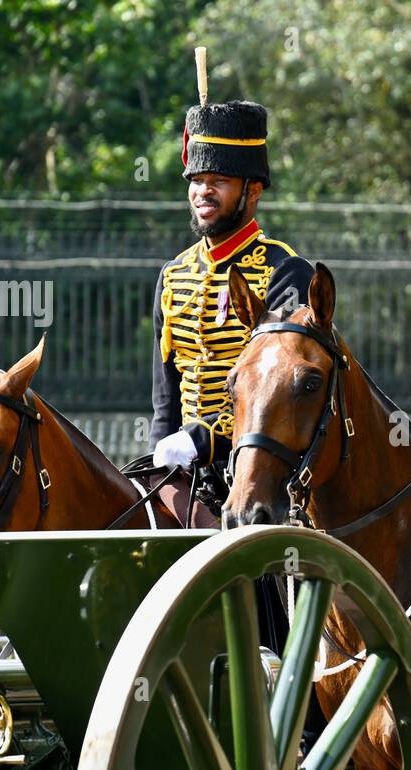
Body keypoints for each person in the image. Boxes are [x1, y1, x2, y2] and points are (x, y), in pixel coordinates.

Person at [149, 89, 313, 526]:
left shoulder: (285, 271)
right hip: (182, 472)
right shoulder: (173, 275)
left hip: (260, 473)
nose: (204, 190)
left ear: (252, 190)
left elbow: (282, 397)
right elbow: (165, 398)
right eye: (197, 180)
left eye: (218, 181)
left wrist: (203, 440)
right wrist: (162, 458)